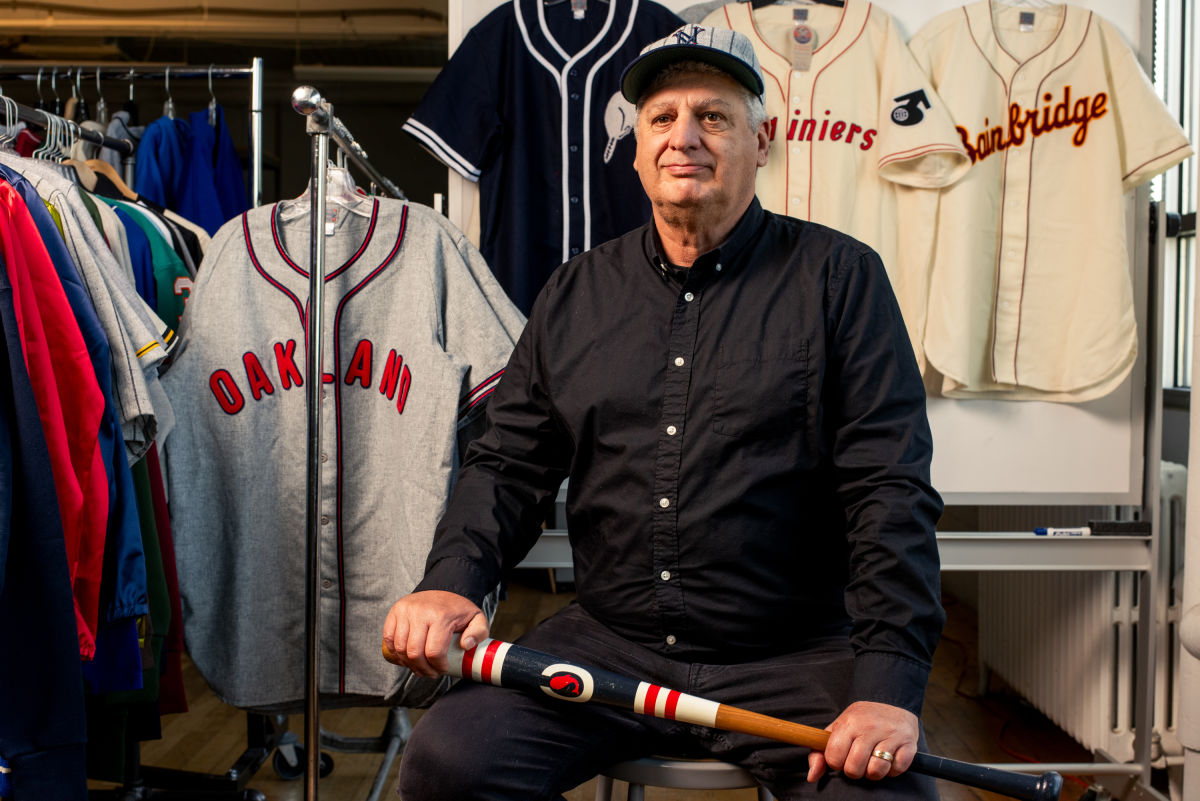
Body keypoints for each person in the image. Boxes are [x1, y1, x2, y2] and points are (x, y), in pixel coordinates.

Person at [384, 23, 945, 800]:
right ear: (640, 146)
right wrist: (454, 580)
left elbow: (890, 494)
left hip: (793, 656)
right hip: (608, 643)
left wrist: (887, 683)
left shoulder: (841, 279)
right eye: (661, 118)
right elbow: (506, 465)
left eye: (713, 116)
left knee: (883, 797)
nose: (685, 136)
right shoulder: (574, 293)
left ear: (763, 139)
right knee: (449, 761)